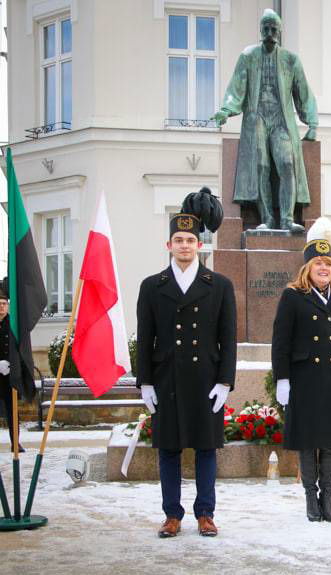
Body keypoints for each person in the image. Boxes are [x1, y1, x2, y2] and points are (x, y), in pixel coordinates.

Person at [136, 188, 236, 538]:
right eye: (177, 240)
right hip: (167, 379)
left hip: (206, 379)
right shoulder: (152, 286)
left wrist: (225, 381)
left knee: (207, 449)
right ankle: (172, 514)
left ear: (199, 244)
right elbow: (145, 337)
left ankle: (205, 514)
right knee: (169, 449)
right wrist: (145, 382)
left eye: (189, 240)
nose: (184, 245)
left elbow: (228, 338)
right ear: (168, 246)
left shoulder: (219, 285)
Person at [272, 218, 331, 522]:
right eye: (318, 264)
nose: (324, 268)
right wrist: (282, 379)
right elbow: (281, 341)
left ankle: (328, 498)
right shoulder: (293, 296)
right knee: (308, 441)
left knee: (330, 442)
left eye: (328, 264)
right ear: (307, 268)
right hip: (305, 380)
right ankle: (311, 498)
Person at [213, 9, 317, 232]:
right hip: (256, 117)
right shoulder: (248, 57)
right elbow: (236, 88)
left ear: (279, 32)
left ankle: (287, 219)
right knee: (260, 165)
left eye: (274, 29)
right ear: (260, 31)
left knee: (287, 163)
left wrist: (312, 122)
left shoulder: (291, 60)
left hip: (281, 120)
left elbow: (303, 93)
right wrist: (225, 110)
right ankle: (267, 218)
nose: (270, 33)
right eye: (266, 29)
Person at [0, 289, 24, 453]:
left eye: (3, 304)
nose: (1, 307)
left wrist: (12, 364)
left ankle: (15, 442)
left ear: (8, 306)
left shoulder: (14, 324)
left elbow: (20, 347)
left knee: (12, 411)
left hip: (9, 375)